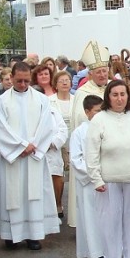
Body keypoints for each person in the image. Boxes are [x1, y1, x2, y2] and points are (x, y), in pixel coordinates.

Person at [0, 62, 65, 250]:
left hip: (34, 155)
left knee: (33, 195)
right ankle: (11, 235)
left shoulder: (41, 99)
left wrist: (34, 145)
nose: (22, 84)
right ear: (11, 78)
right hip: (13, 157)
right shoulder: (2, 101)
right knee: (12, 194)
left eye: (26, 81)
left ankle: (33, 235)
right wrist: (20, 146)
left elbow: (47, 125)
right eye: (18, 80)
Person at [85, 79, 130, 258]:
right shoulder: (99, 119)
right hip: (108, 181)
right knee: (110, 227)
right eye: (115, 95)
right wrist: (96, 178)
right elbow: (91, 152)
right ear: (108, 97)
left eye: (123, 94)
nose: (120, 99)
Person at [68, 41, 111, 228]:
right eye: (98, 71)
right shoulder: (83, 92)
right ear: (90, 73)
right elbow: (80, 118)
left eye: (105, 70)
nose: (102, 75)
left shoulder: (115, 88)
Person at [69, 95, 104, 258]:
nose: (100, 114)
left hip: (108, 180)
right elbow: (76, 159)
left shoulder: (107, 128)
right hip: (90, 183)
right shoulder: (79, 132)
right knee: (91, 218)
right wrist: (95, 173)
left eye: (102, 110)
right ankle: (95, 253)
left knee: (108, 218)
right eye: (97, 111)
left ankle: (111, 251)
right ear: (87, 112)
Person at [50, 70, 74, 219]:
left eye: (67, 80)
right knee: (58, 175)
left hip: (74, 141)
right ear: (56, 85)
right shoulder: (48, 100)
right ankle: (58, 204)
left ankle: (75, 206)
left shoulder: (77, 98)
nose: (65, 83)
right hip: (57, 143)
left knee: (75, 175)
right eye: (61, 81)